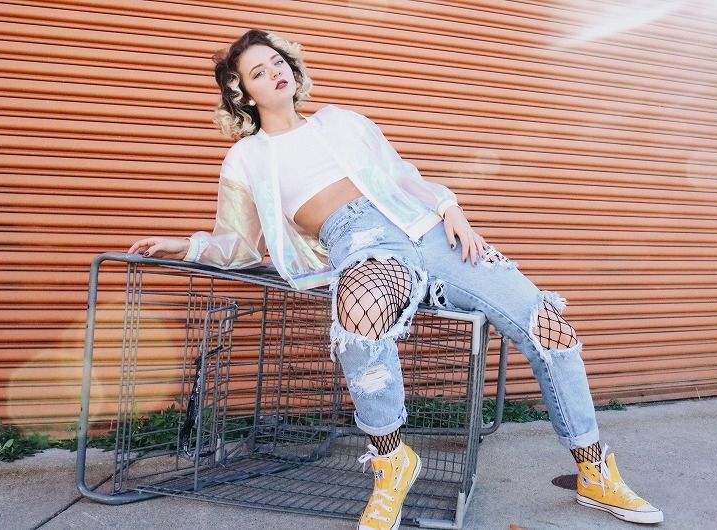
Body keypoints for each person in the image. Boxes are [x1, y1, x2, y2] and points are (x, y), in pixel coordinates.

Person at [127, 29, 663, 529]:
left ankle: (594, 471)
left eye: (278, 62)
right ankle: (392, 462)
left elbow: (403, 175)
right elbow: (238, 242)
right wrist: (188, 245)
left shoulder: (342, 121)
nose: (275, 73)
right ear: (243, 93)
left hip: (428, 230)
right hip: (360, 243)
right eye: (259, 72)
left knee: (550, 330)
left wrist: (451, 207)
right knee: (358, 322)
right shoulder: (246, 158)